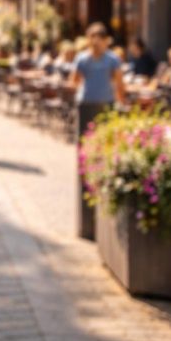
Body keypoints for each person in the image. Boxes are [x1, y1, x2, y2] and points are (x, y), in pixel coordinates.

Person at [71, 22, 124, 240]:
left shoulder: (112, 59)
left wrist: (121, 100)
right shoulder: (82, 59)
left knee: (104, 150)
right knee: (85, 151)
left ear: (105, 40)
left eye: (99, 38)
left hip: (106, 104)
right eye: (93, 38)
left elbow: (119, 82)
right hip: (87, 105)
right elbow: (75, 81)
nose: (96, 42)